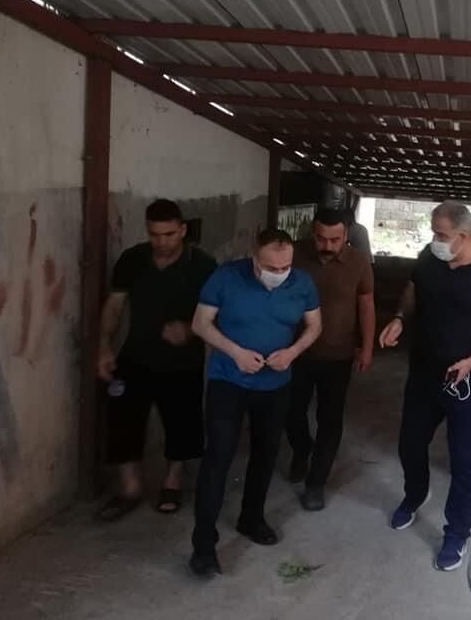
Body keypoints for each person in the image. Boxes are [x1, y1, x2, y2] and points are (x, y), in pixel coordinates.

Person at [379, 201, 471, 571]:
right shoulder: (429, 258)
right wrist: (399, 318)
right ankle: (415, 495)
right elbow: (413, 289)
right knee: (410, 444)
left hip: (467, 382)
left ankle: (457, 533)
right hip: (424, 374)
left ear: (464, 236)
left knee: (465, 461)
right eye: (434, 232)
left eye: (441, 234)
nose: (434, 239)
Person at [189, 228, 322, 576]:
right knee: (217, 458)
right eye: (271, 268)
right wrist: (235, 352)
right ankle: (203, 545)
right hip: (228, 381)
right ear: (254, 258)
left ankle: (252, 518)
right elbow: (200, 324)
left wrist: (292, 353)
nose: (279, 274)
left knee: (265, 455)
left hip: (275, 385)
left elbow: (314, 326)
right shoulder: (226, 277)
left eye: (285, 268)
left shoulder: (303, 284)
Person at [96, 199, 217, 520]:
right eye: (154, 234)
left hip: (182, 361)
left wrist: (188, 331)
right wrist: (104, 347)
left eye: (169, 234)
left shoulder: (203, 266)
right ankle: (130, 488)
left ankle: (172, 481)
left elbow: (217, 313)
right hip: (136, 354)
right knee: (123, 419)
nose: (161, 242)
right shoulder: (132, 259)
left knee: (181, 423)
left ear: (183, 230)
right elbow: (114, 306)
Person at [287, 208, 375, 511]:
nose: (327, 245)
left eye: (334, 240)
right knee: (290, 412)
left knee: (330, 418)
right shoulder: (295, 254)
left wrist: (367, 347)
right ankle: (301, 449)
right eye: (320, 238)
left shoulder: (359, 262)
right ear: (312, 233)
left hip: (338, 355)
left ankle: (316, 483)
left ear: (346, 235)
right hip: (295, 351)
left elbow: (366, 304)